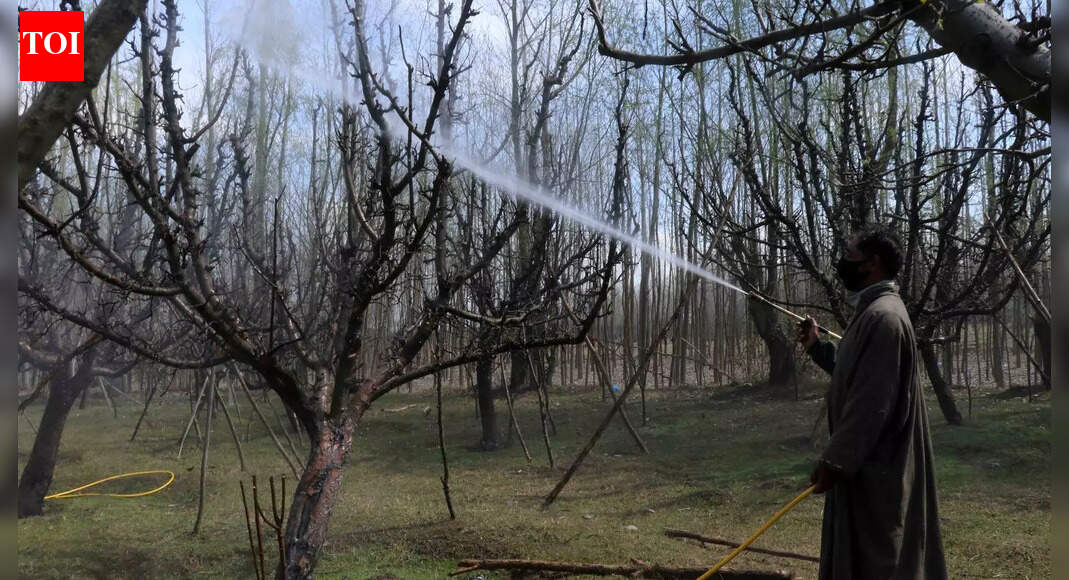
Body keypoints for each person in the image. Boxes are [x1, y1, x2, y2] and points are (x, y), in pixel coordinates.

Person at [797, 226, 947, 579]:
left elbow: (871, 401)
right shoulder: (873, 313)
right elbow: (859, 374)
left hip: (878, 471)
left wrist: (836, 461)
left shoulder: (885, 318)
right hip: (864, 469)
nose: (843, 263)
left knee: (879, 561)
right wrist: (818, 348)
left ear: (873, 263)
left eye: (850, 256)